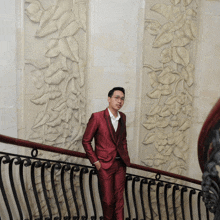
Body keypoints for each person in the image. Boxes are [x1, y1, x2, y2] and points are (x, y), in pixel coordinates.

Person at [82, 87, 131, 220]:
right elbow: (86, 141)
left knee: (119, 200)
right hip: (104, 165)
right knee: (108, 201)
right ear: (109, 99)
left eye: (122, 98)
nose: (119, 101)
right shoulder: (97, 117)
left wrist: (125, 155)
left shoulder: (123, 117)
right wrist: (96, 162)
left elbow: (122, 139)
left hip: (120, 164)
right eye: (116, 97)